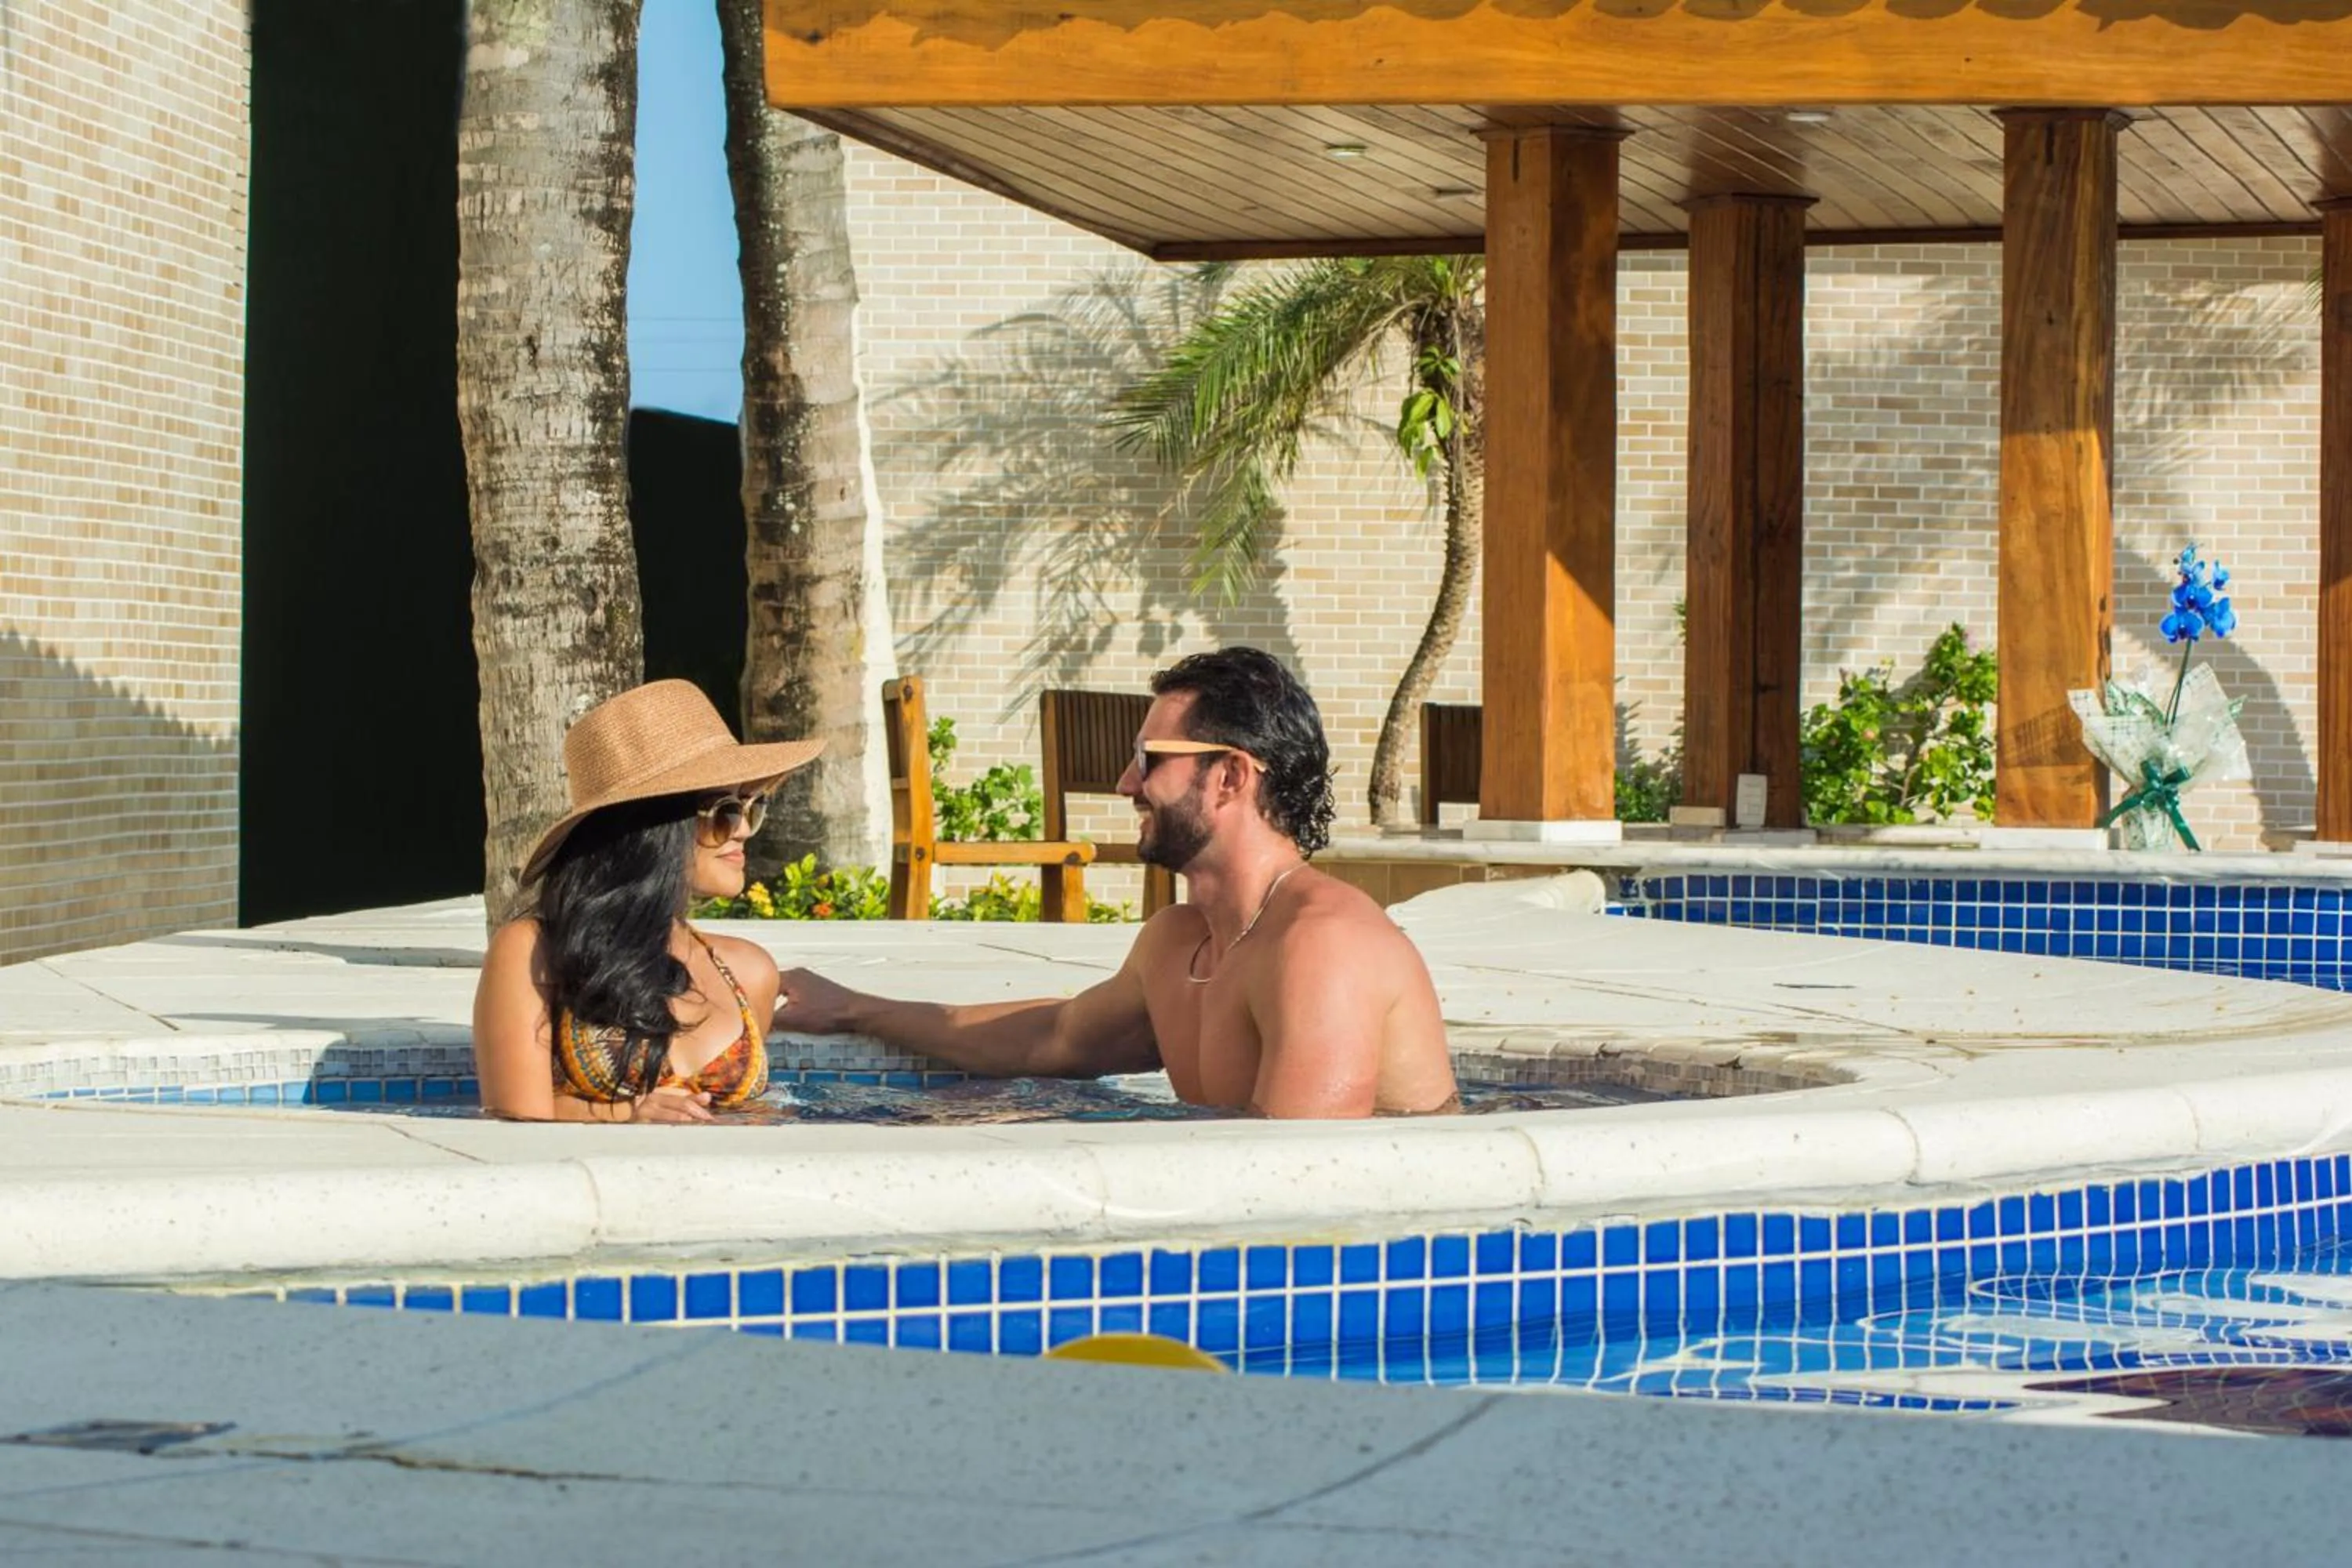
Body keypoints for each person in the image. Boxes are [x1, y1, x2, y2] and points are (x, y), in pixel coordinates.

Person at [779, 648, 1457, 1118]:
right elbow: (1052, 1039)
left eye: (1147, 760)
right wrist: (852, 1008)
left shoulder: (1320, 946)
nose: (1125, 783)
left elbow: (1306, 1184)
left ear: (1231, 777)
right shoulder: (1179, 943)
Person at [471, 680, 823, 1123]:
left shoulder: (749, 971)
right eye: (725, 811)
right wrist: (627, 1115)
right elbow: (511, 1118)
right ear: (654, 829)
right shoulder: (534, 951)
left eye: (751, 806)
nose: (744, 830)